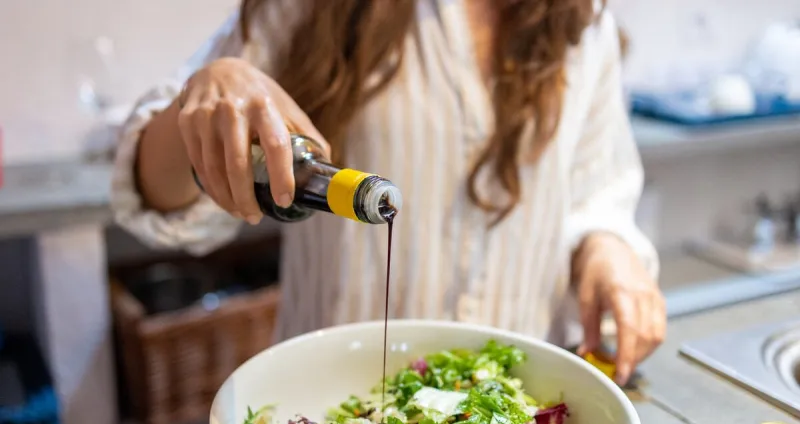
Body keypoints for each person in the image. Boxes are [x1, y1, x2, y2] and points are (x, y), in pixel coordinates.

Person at [112, 0, 665, 385]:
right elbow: (162, 202)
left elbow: (596, 193)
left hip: (515, 410)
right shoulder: (314, 11)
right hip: (332, 416)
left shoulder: (583, 23)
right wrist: (207, 92)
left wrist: (606, 248)